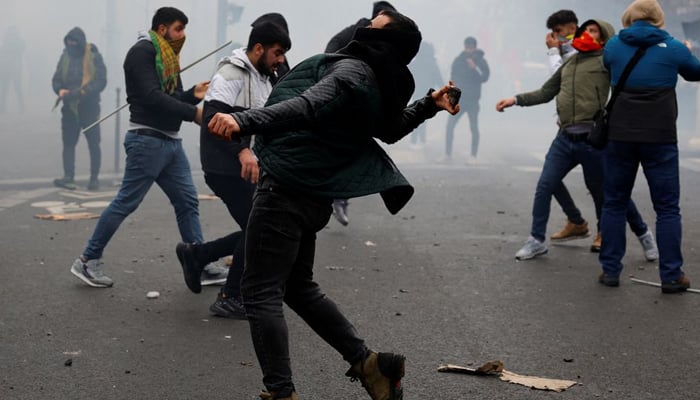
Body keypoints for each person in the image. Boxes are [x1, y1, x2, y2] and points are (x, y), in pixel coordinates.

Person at [204, 9, 458, 399]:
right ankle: (370, 365)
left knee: (259, 291)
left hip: (287, 188)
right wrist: (428, 104)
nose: (367, 24)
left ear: (384, 42)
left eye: (377, 24)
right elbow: (389, 130)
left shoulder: (351, 73)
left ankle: (281, 391)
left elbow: (306, 105)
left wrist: (245, 121)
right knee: (297, 286)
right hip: (313, 194)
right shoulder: (375, 79)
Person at [70, 7, 225, 288]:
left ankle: (200, 261)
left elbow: (172, 97)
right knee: (126, 202)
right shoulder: (142, 52)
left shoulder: (167, 56)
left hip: (169, 142)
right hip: (148, 141)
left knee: (187, 201)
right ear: (163, 28)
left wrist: (192, 95)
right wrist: (195, 113)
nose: (183, 35)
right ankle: (87, 260)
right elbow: (151, 97)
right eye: (179, 29)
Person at [496, 19, 657, 262]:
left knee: (610, 191)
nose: (587, 34)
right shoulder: (570, 61)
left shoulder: (606, 61)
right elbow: (546, 92)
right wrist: (515, 99)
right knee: (545, 185)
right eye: (585, 30)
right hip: (564, 139)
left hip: (593, 140)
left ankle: (643, 233)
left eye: (594, 31)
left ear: (604, 38)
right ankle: (536, 240)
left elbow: (627, 86)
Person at [175, 17, 291, 321]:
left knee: (257, 226)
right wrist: (241, 151)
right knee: (258, 228)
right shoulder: (231, 73)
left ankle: (198, 255)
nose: (281, 60)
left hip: (246, 166)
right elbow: (213, 117)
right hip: (224, 167)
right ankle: (230, 296)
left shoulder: (266, 74)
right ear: (257, 48)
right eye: (277, 53)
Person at [598, 0, 700, 292]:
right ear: (658, 20)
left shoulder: (615, 45)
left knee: (614, 202)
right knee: (667, 208)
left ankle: (610, 271)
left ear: (629, 18)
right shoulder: (675, 47)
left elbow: (607, 65)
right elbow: (696, 73)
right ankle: (671, 275)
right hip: (660, 137)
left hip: (620, 135)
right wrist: (688, 52)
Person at [325, 1, 397, 227]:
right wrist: (339, 69)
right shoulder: (358, 31)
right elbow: (331, 47)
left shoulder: (384, 40)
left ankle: (339, 196)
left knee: (352, 148)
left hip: (361, 99)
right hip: (343, 94)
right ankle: (332, 195)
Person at [51, 27, 106, 191]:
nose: (71, 47)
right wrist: (59, 90)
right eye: (69, 43)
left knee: (94, 143)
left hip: (89, 105)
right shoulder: (65, 56)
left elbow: (101, 81)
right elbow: (56, 79)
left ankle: (94, 179)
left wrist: (83, 92)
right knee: (68, 143)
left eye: (74, 44)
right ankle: (68, 176)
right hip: (69, 106)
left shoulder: (94, 55)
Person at [444, 36, 489, 164]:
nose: (469, 49)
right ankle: (447, 154)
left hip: (473, 101)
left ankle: (473, 156)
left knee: (473, 127)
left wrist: (474, 68)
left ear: (475, 47)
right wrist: (450, 95)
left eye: (471, 47)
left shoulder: (481, 61)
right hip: (459, 100)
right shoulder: (459, 60)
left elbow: (484, 77)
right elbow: (453, 77)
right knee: (450, 126)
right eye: (467, 47)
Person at [408, 41, 443, 147]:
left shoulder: (416, 62)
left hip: (416, 91)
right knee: (423, 115)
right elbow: (438, 78)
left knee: (414, 113)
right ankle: (421, 140)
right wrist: (442, 90)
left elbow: (409, 76)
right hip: (429, 93)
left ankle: (414, 140)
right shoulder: (432, 63)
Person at [0, 26, 25, 114]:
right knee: (6, 89)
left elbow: (22, 50)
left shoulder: (16, 42)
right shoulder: (7, 42)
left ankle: (20, 107)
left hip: (13, 68)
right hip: (9, 68)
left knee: (13, 88)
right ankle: (3, 108)